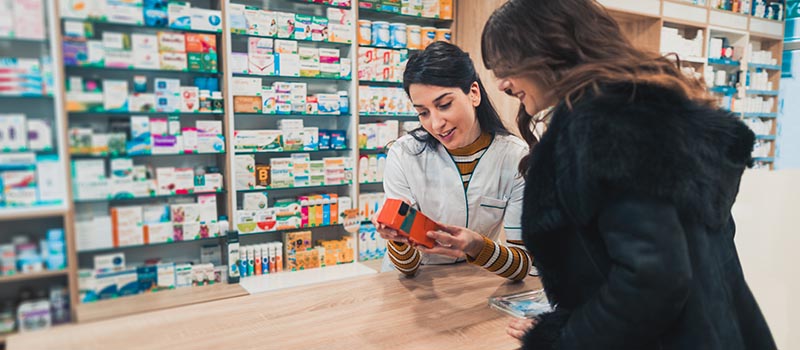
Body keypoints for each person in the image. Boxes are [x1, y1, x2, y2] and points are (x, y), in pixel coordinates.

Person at [479, 0, 777, 349]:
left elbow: (653, 278)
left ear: (549, 50)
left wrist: (564, 336)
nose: (500, 84)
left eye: (504, 66)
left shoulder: (608, 127)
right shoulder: (650, 113)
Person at [373, 41, 533, 281]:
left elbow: (522, 266)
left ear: (474, 93)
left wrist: (477, 247)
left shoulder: (515, 157)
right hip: (415, 287)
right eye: (423, 113)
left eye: (444, 105)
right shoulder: (404, 154)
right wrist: (399, 240)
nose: (436, 124)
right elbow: (408, 269)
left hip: (475, 281)